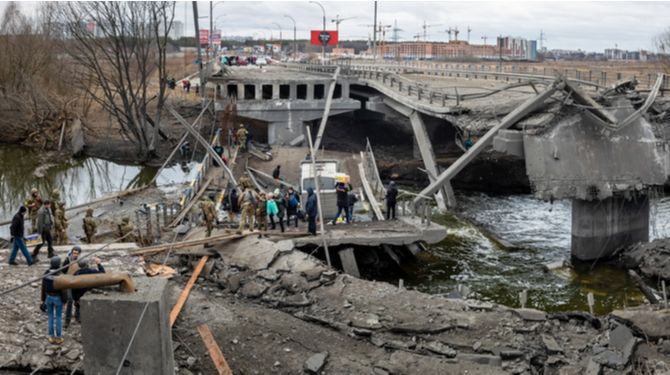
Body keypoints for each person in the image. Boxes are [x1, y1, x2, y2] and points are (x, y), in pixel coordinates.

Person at [41, 255, 67, 345]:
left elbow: (43, 288)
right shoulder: (60, 274)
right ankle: (59, 338)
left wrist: (43, 299)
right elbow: (64, 290)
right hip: (58, 298)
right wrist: (64, 300)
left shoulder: (46, 273)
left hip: (48, 298)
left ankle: (51, 337)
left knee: (50, 317)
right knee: (58, 317)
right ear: (59, 264)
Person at [61, 246, 82, 329]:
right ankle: (67, 320)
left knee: (78, 301)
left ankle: (78, 316)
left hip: (79, 283)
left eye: (77, 253)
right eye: (74, 253)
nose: (75, 255)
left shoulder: (82, 260)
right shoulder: (68, 260)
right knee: (69, 300)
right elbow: (62, 271)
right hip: (70, 283)